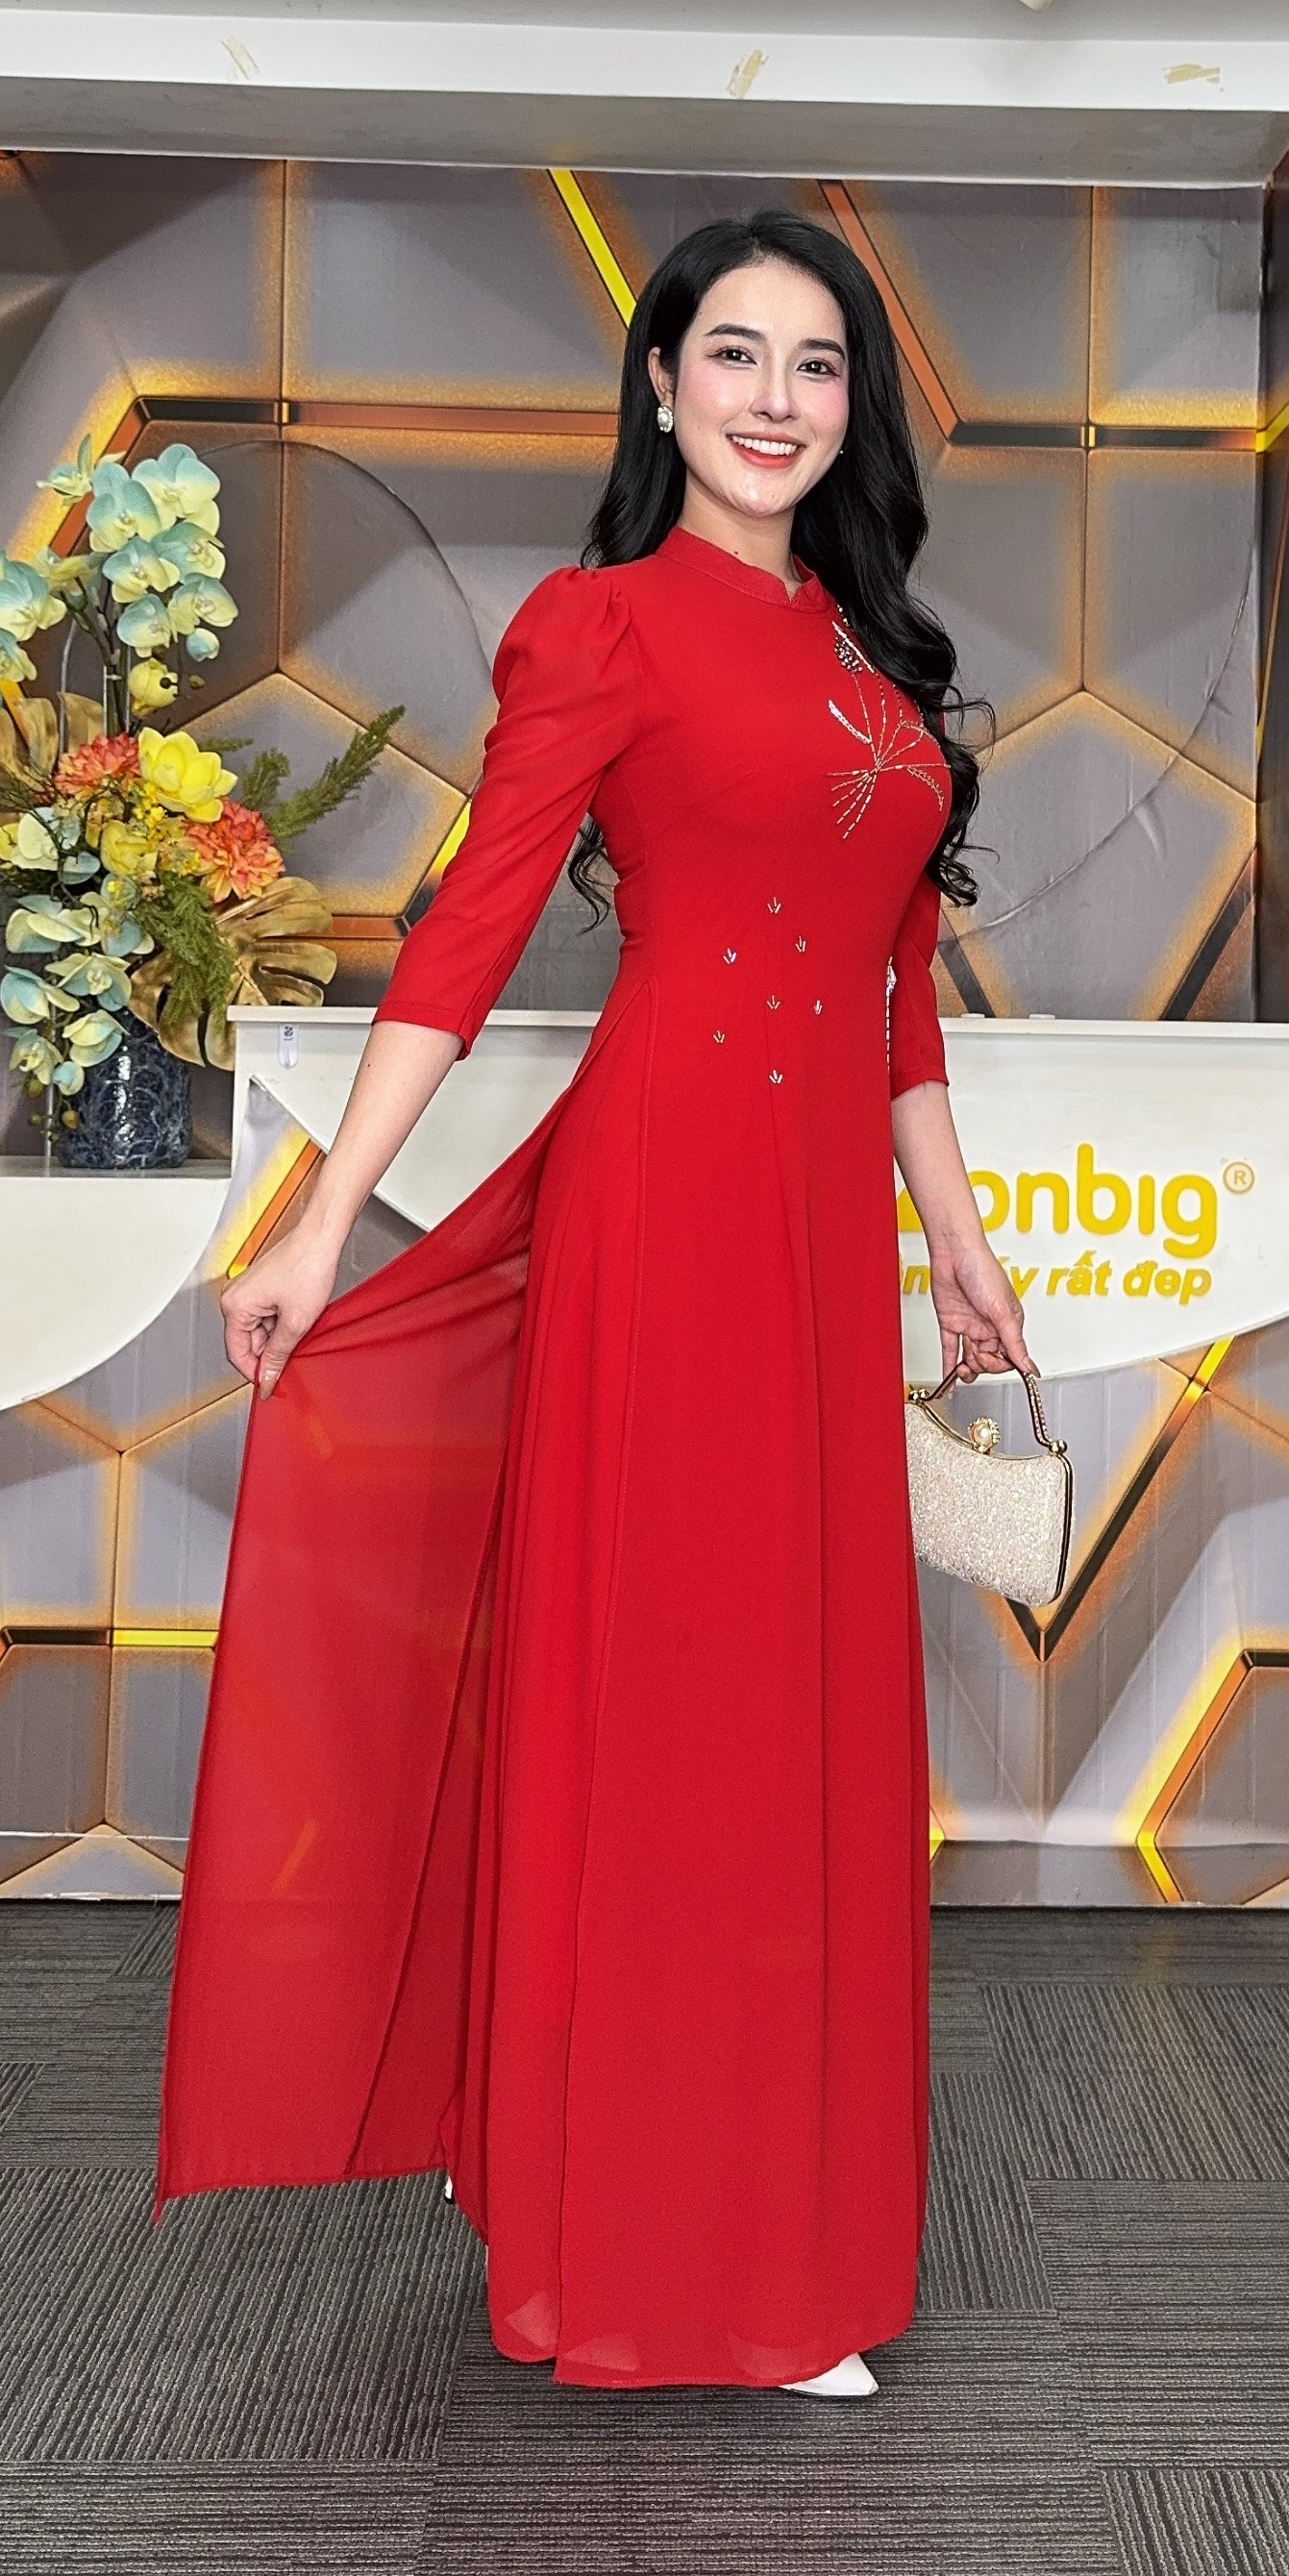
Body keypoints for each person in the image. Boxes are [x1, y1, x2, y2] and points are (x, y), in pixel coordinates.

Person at [155, 209, 1031, 2397]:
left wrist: (953, 1232)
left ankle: (767, 2223)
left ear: (852, 406)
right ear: (658, 383)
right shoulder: (600, 623)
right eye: (731, 353)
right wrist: (320, 1222)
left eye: (815, 363)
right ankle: (639, 2235)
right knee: (677, 1704)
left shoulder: (867, 653)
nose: (772, 398)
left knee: (796, 1720)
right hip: (666, 1205)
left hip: (816, 1229)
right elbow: (466, 929)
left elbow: (896, 983)